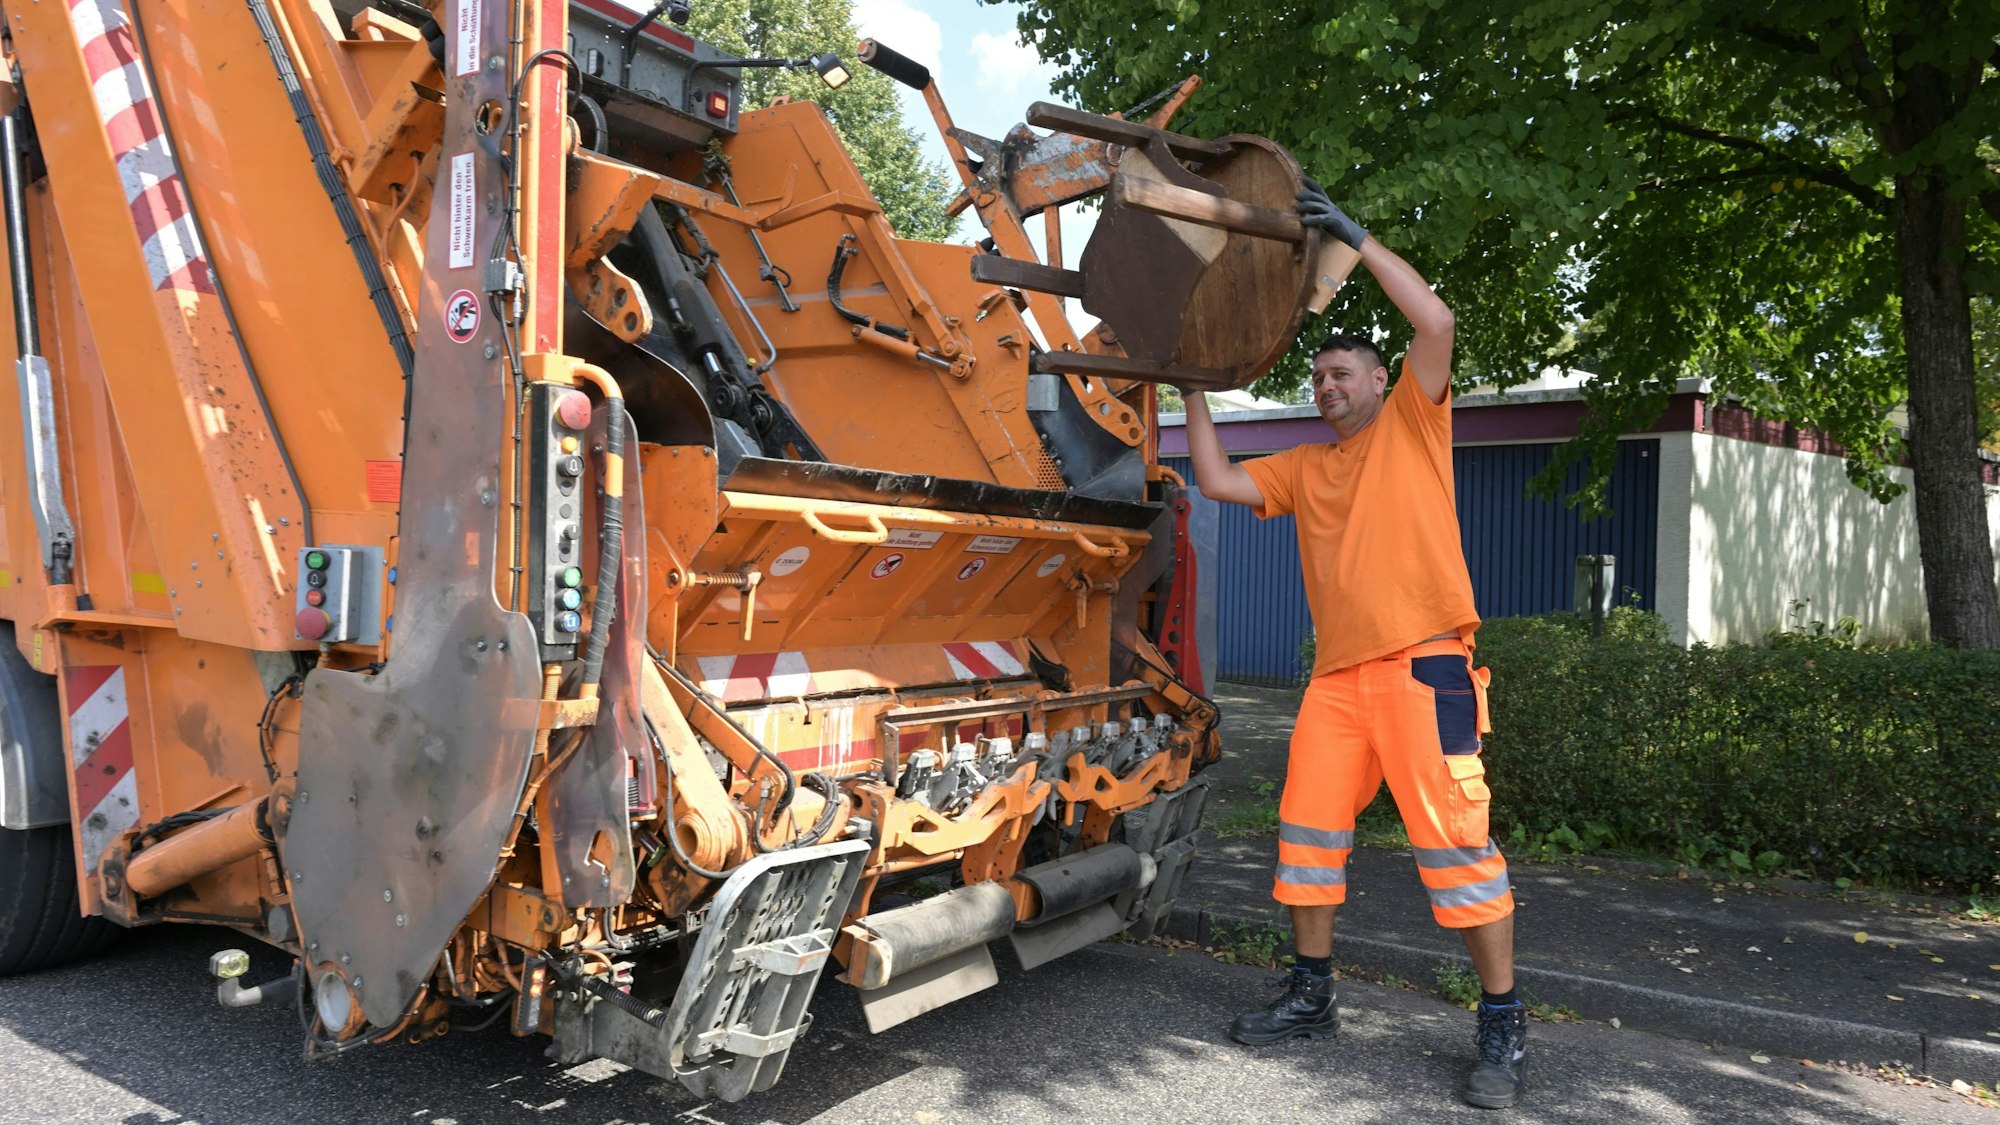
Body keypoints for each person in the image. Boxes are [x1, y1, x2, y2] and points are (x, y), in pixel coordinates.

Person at [1180, 180, 1526, 1110]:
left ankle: (1501, 1022)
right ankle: (1311, 994)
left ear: (1382, 381)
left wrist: (1358, 239)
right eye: (1319, 377)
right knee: (1304, 841)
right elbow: (1211, 476)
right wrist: (1194, 389)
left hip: (1426, 668)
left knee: (1458, 849)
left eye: (1345, 373)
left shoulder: (1418, 421)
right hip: (1335, 683)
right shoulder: (1301, 466)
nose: (1329, 384)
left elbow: (1436, 317)